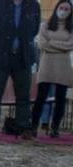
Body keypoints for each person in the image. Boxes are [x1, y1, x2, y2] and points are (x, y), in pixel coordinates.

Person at [0, 0, 41, 140]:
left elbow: (34, 29)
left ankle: (24, 128)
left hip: (23, 57)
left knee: (23, 96)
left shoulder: (33, 5)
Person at [32, 0, 73, 138]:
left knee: (60, 100)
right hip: (46, 66)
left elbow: (70, 45)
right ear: (56, 8)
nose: (63, 11)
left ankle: (55, 128)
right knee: (40, 98)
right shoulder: (45, 26)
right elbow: (42, 45)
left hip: (63, 68)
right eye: (61, 8)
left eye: (67, 9)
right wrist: (61, 45)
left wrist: (52, 43)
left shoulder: (71, 28)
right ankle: (33, 126)